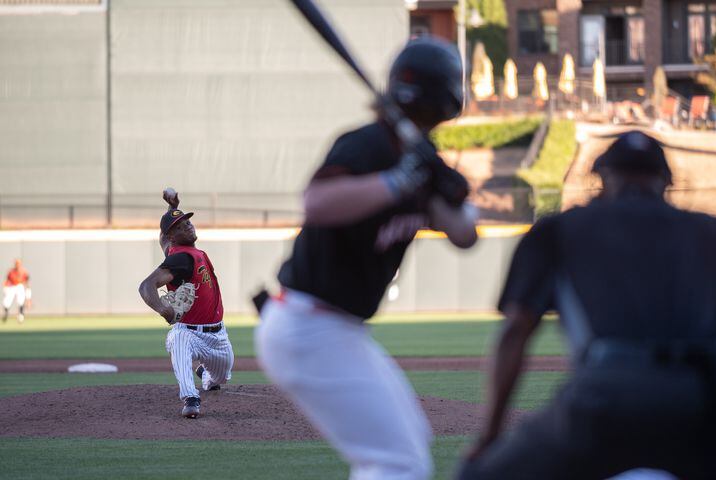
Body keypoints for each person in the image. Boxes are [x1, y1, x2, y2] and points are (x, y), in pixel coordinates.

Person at [254, 37, 479, 480]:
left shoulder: (420, 162)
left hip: (337, 329)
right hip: (309, 326)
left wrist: (437, 184)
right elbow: (317, 202)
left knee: (410, 443)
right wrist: (397, 182)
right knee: (399, 462)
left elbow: (464, 234)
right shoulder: (367, 146)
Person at [458, 131, 716, 479]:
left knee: (478, 476)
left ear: (601, 177)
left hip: (604, 397)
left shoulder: (560, 228)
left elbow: (515, 333)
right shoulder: (711, 232)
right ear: (667, 181)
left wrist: (489, 436)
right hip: (701, 402)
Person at [139, 189, 234, 419]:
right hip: (189, 332)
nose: (188, 226)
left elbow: (163, 237)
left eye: (187, 222)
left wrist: (172, 208)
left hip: (218, 335)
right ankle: (190, 398)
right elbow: (146, 286)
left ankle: (205, 373)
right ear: (174, 236)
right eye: (180, 226)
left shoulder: (177, 248)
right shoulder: (180, 259)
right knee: (179, 338)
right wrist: (164, 310)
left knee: (219, 379)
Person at [3, 259, 31, 324]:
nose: (17, 265)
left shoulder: (24, 271)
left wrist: (29, 297)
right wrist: (5, 287)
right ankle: (6, 314)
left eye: (19, 263)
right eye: (16, 263)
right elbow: (7, 280)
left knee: (20, 301)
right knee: (7, 301)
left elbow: (27, 281)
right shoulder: (11, 271)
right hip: (12, 286)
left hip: (20, 286)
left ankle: (21, 315)